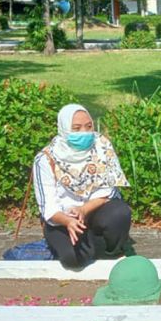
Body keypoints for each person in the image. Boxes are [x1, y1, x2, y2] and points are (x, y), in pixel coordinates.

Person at [33, 104, 132, 268]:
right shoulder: (45, 159)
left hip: (94, 209)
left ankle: (114, 250)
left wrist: (84, 210)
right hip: (63, 218)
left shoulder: (102, 145)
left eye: (88, 126)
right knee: (73, 260)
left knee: (119, 213)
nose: (84, 133)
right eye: (76, 128)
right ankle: (79, 241)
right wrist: (68, 221)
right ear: (64, 129)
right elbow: (48, 207)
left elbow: (109, 189)